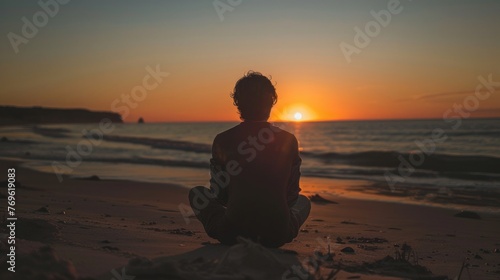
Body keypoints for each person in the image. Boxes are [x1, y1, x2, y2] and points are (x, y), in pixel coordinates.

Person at [189, 71, 310, 248]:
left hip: (232, 233)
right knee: (304, 202)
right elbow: (291, 196)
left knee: (196, 193)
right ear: (271, 102)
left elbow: (219, 194)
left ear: (238, 103)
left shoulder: (222, 140)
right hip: (276, 234)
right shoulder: (289, 140)